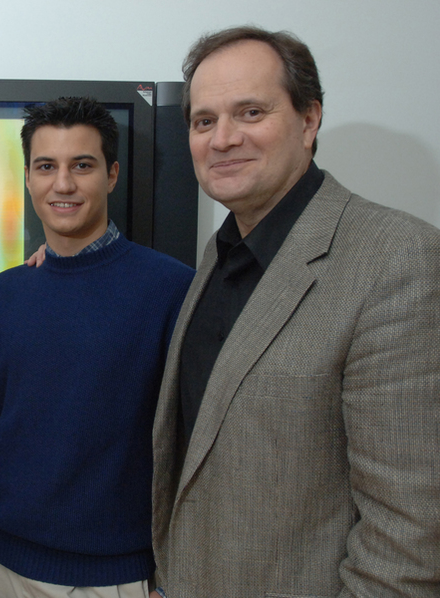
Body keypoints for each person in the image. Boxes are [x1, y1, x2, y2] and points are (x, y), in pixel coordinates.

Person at [151, 27, 440, 597]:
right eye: (203, 121)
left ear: (309, 121)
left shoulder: (396, 259)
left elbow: (409, 538)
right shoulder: (220, 251)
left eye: (250, 112)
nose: (223, 138)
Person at [0, 97, 194, 598]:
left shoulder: (173, 290)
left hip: (116, 577)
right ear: (27, 177)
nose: (64, 184)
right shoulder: (0, 296)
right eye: (47, 166)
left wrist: (174, 576)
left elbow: (193, 449)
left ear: (112, 175)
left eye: (83, 166)